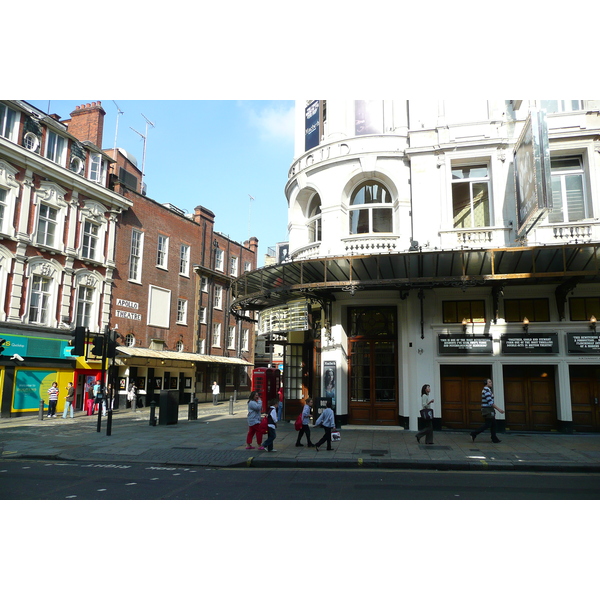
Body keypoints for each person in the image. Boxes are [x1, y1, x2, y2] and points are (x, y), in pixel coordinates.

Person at [471, 378, 505, 443]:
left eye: (491, 382)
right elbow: (490, 402)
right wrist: (499, 409)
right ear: (486, 383)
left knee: (493, 424)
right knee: (488, 424)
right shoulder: (486, 391)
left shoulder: (488, 390)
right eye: (489, 382)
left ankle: (494, 438)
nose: (491, 383)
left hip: (489, 410)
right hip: (488, 410)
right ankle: (474, 433)